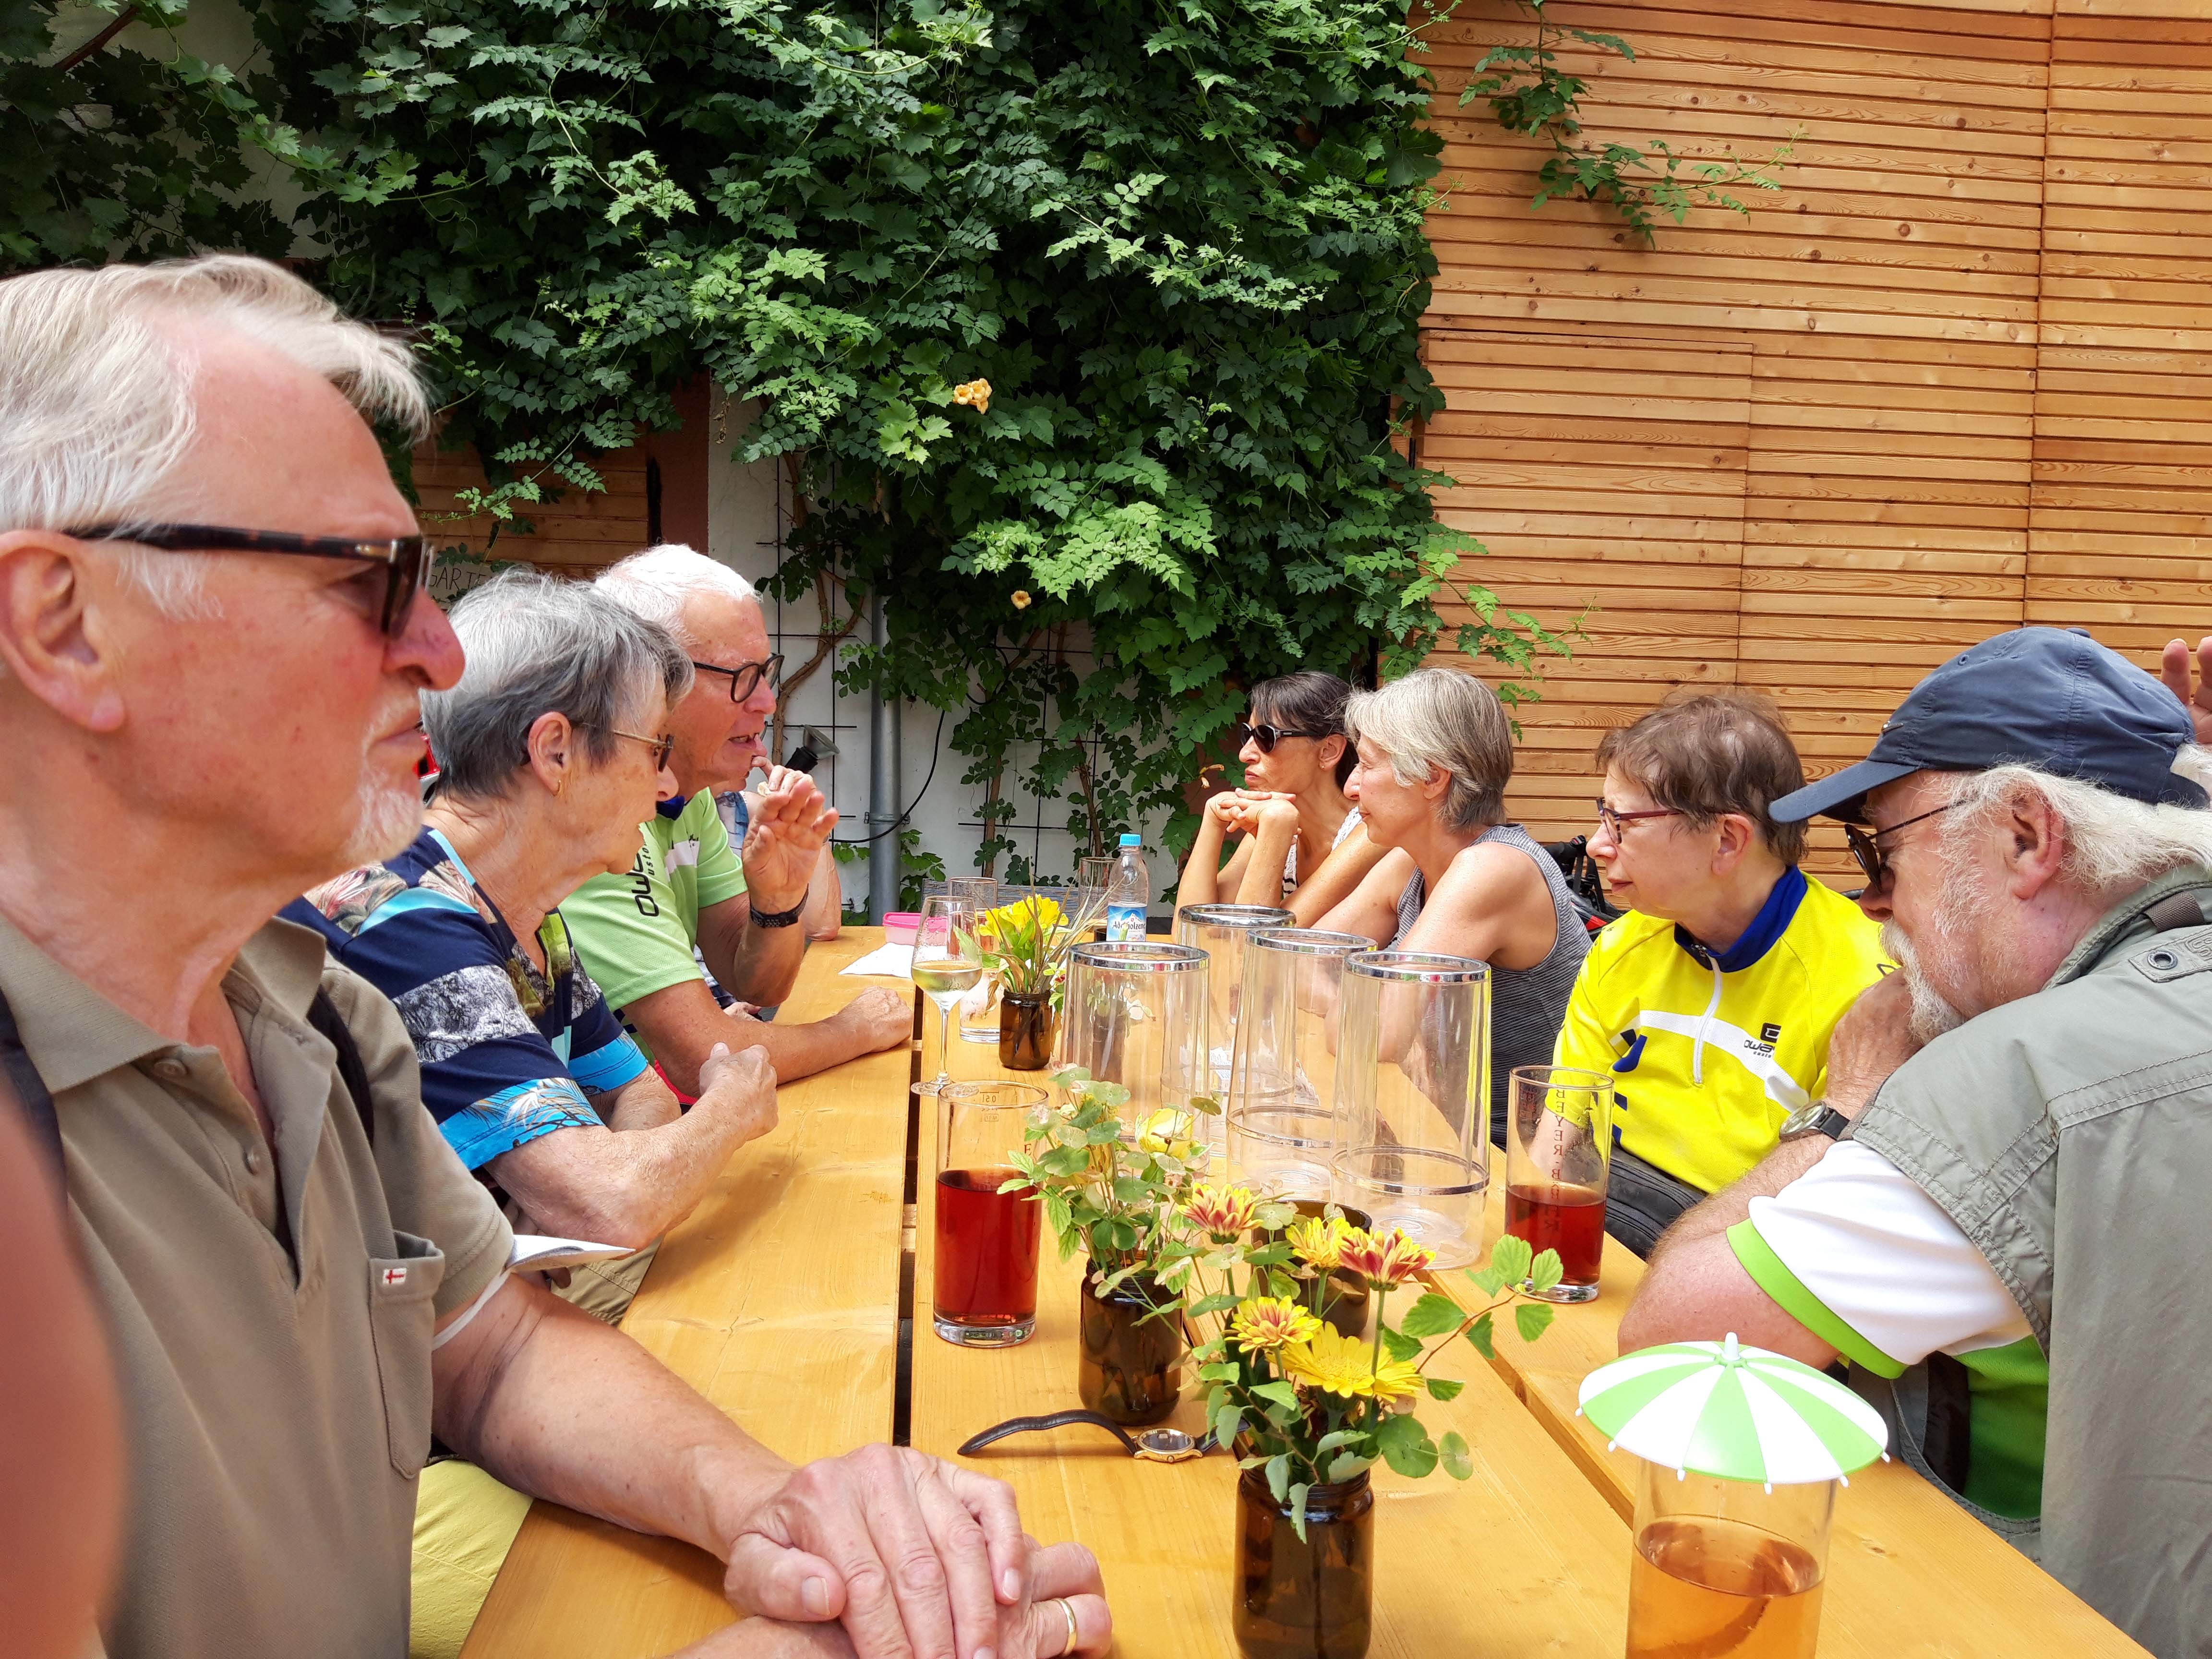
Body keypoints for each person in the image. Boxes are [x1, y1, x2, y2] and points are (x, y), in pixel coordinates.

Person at [0, 254, 1108, 1659]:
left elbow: (498, 1348)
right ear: (65, 622)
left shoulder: (315, 1015)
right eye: (366, 578)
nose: (439, 653)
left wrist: (791, 1513)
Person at [1618, 626, 2212, 1659]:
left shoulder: (2022, 1078)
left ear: (2026, 836)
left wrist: (1845, 1103)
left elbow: (1675, 1343)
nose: (1872, 899)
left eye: (1881, 849)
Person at [289, 569, 776, 1327]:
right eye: (655, 748)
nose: (667, 784)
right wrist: (732, 1108)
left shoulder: (522, 911)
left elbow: (639, 1094)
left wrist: (579, 1187)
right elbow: (612, 1204)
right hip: (390, 1362)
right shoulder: (403, 917)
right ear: (555, 752)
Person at [1555, 692, 1889, 1255]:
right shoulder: (1622, 944)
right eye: (1601, 814)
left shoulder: (1866, 987)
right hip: (1604, 1225)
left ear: (1728, 840)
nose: (1597, 845)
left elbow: (1833, 1228)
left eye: (1622, 822)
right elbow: (1559, 1136)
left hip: (1744, 1256)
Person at [566, 546, 907, 1097]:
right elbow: (701, 1054)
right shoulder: (590, 811)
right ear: (646, 679)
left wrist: (779, 900)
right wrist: (855, 1029)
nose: (768, 702)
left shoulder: (691, 794)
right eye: (744, 676)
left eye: (766, 673)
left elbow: (757, 985)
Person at [1316, 666, 1589, 1138]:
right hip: (1433, 1125)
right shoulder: (1411, 861)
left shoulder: (1494, 868)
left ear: (1432, 777)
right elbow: (1302, 963)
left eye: (1367, 765)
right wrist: (1364, 1007)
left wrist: (1369, 1008)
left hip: (1513, 1153)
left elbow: (1370, 1036)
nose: (1351, 787)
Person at [1178, 671, 1387, 924]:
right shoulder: (1278, 818)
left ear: (1328, 751)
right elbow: (1194, 928)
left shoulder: (1371, 831)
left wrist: (1276, 827)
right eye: (1247, 735)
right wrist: (1213, 819)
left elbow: (1257, 937)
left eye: (1266, 737)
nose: (1245, 754)